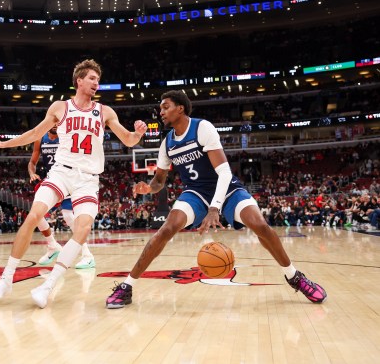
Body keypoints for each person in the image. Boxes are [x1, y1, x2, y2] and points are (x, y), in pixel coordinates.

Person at [105, 90, 327, 309]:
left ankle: (294, 276)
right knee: (167, 228)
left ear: (180, 108)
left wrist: (215, 209)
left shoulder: (202, 128)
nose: (161, 111)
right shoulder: (167, 143)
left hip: (227, 188)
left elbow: (225, 173)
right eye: (160, 108)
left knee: (260, 225)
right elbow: (160, 180)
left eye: (166, 107)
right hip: (196, 192)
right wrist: (148, 188)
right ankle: (127, 286)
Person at [0, 59, 147, 308]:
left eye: (97, 79)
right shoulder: (60, 107)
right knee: (34, 215)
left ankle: (48, 286)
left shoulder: (105, 111)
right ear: (79, 81)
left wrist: (137, 133)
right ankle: (5, 279)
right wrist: (3, 144)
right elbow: (35, 134)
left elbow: (128, 140)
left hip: (88, 179)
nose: (96, 83)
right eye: (91, 78)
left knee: (82, 229)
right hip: (62, 172)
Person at [28, 125, 95, 268]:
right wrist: (32, 173)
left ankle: (87, 255)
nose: (55, 125)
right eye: (53, 122)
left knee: (68, 215)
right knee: (35, 214)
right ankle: (53, 246)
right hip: (52, 179)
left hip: (68, 178)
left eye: (59, 122)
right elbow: (32, 162)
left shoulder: (67, 136)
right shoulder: (40, 139)